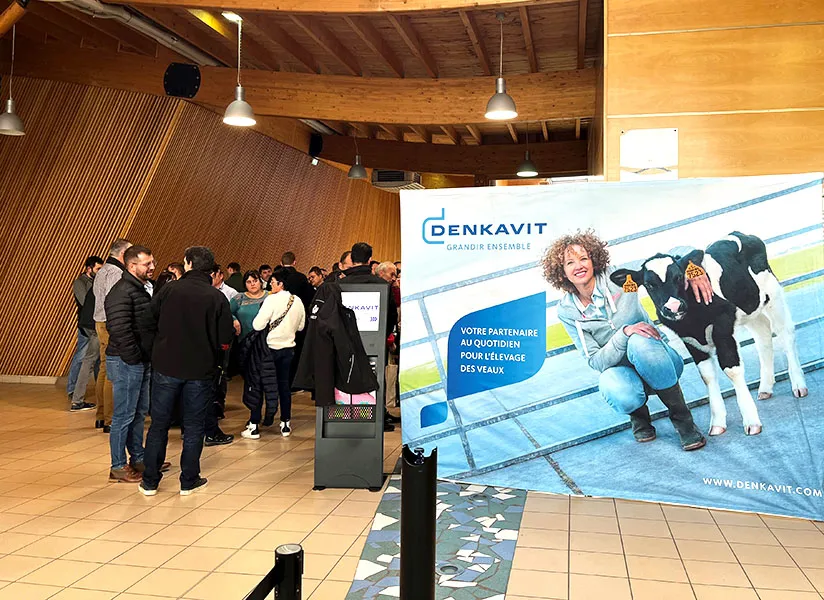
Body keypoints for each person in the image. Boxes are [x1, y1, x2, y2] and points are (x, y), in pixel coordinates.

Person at [543, 230, 708, 451]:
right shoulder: (567, 311)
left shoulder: (619, 277)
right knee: (613, 384)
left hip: (661, 361)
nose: (579, 266)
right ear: (561, 271)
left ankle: (683, 422)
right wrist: (625, 332)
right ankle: (639, 416)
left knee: (639, 340)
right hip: (623, 373)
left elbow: (677, 253)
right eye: (569, 262)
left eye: (584, 258)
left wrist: (695, 272)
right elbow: (595, 361)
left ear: (594, 259)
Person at [140, 246, 234, 496]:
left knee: (159, 425)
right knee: (193, 427)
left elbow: (147, 322)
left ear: (189, 263)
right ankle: (188, 480)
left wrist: (156, 351)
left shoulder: (169, 290)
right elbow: (225, 337)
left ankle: (150, 481)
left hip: (166, 367)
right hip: (200, 370)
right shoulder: (216, 297)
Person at [105, 245, 157, 483]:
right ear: (131, 265)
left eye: (152, 262)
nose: (152, 267)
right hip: (126, 360)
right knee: (123, 416)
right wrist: (134, 357)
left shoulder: (139, 288)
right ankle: (117, 466)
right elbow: (119, 329)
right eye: (147, 264)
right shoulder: (122, 291)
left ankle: (138, 458)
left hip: (139, 360)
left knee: (138, 413)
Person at [343, 243, 399, 432]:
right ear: (369, 260)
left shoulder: (339, 285)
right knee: (376, 379)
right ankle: (378, 417)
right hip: (375, 343)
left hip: (346, 344)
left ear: (352, 259)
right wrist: (382, 336)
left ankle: (352, 416)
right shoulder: (382, 286)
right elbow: (391, 316)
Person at [244, 269, 306, 440]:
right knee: (284, 387)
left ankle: (254, 425)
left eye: (272, 282)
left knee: (260, 385)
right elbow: (301, 326)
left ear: (281, 284)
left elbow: (257, 325)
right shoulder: (297, 301)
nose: (270, 285)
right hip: (288, 350)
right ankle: (285, 423)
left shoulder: (271, 300)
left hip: (268, 351)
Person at [93, 238, 132, 432]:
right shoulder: (116, 272)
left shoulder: (102, 270)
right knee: (113, 369)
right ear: (123, 254)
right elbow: (115, 301)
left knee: (103, 368)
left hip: (100, 321)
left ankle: (101, 415)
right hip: (111, 323)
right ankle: (110, 418)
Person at [68, 256, 103, 411]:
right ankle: (74, 394)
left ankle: (94, 394)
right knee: (84, 358)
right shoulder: (80, 282)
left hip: (91, 323)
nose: (100, 272)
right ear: (89, 268)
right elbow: (84, 302)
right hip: (88, 325)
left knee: (94, 359)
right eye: (97, 269)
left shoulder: (97, 281)